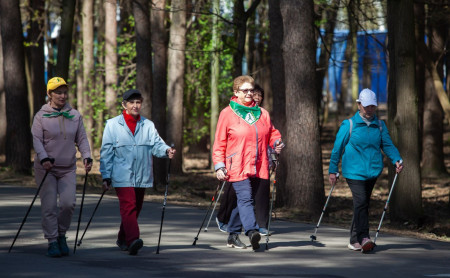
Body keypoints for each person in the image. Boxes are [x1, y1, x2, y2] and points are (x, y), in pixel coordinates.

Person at [100, 89, 176, 256]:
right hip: (121, 174)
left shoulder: (147, 125)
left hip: (142, 174)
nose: (135, 105)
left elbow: (157, 144)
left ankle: (122, 238)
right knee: (129, 206)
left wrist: (166, 151)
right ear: (124, 105)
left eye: (138, 102)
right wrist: (106, 175)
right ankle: (133, 239)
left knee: (136, 208)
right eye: (131, 102)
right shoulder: (112, 125)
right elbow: (106, 153)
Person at [212, 76, 284, 250]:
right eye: (245, 90)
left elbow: (272, 133)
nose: (249, 93)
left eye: (251, 90)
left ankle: (233, 235)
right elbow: (219, 142)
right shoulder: (227, 113)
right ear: (236, 92)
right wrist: (219, 165)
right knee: (245, 198)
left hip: (258, 164)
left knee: (241, 200)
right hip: (236, 163)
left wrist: (276, 143)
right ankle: (252, 232)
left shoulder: (262, 113)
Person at [329, 88, 404, 253]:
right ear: (359, 105)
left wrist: (397, 159)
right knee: (361, 202)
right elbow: (337, 149)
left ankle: (354, 240)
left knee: (362, 205)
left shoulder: (380, 125)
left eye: (372, 106)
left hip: (372, 171)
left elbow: (387, 145)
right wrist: (332, 170)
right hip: (354, 171)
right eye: (366, 106)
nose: (370, 109)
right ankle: (364, 238)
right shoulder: (349, 124)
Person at [31, 77, 92, 257]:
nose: (62, 95)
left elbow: (82, 138)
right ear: (49, 94)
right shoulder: (41, 116)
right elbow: (37, 141)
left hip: (68, 168)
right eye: (58, 92)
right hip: (46, 169)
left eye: (65, 92)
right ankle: (52, 240)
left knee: (68, 204)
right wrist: (43, 159)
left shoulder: (75, 115)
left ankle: (61, 234)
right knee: (49, 206)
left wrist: (87, 156)